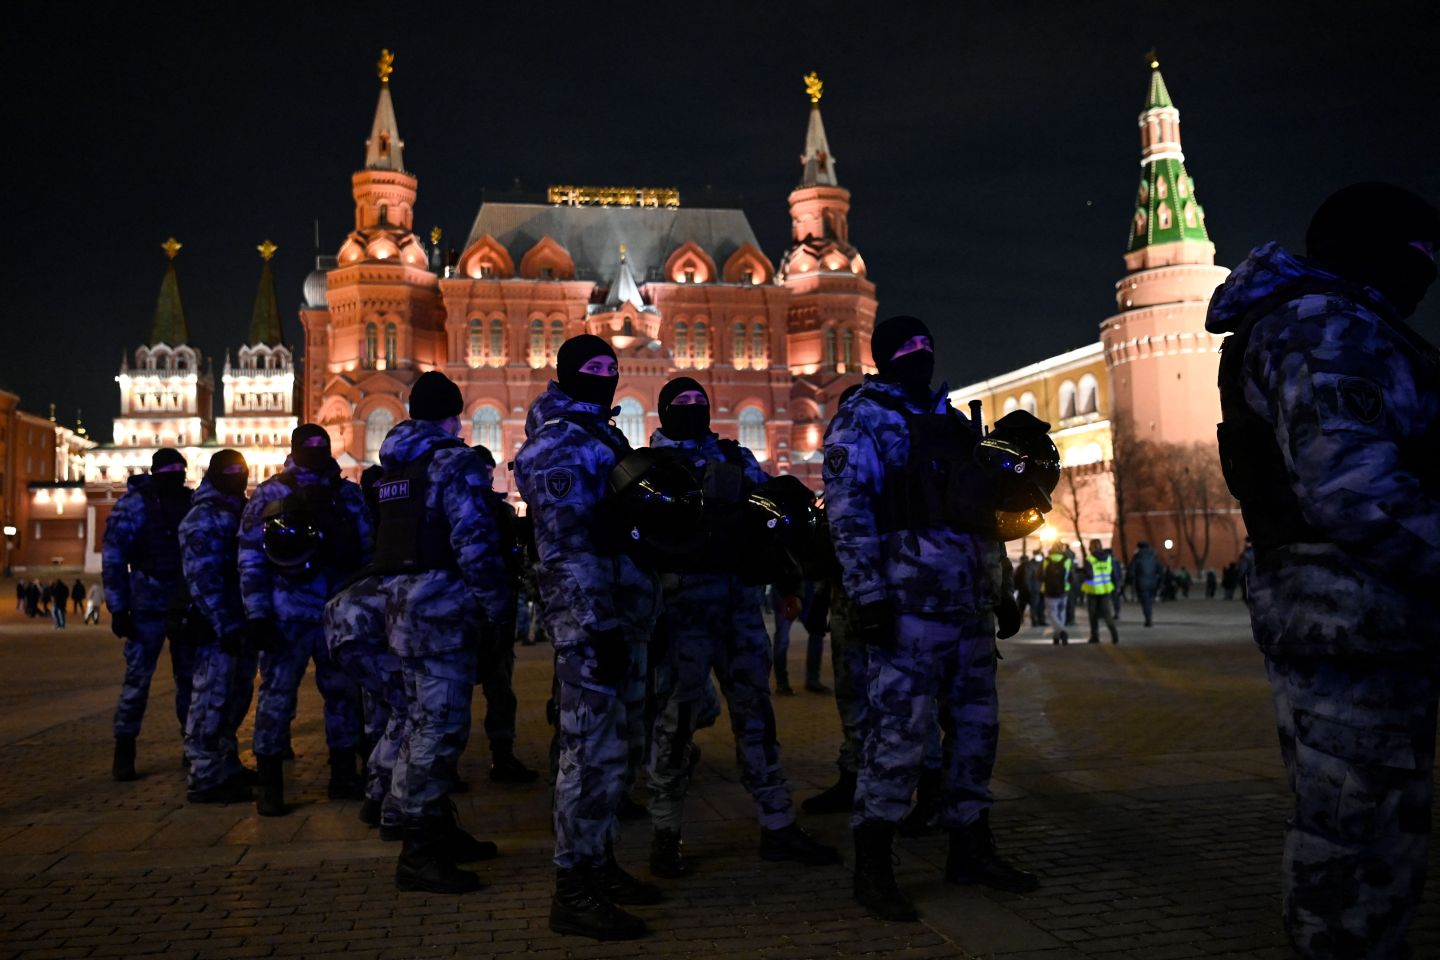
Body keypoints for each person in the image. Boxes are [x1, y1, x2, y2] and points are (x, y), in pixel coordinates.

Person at [1206, 182, 1440, 957]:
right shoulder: (1321, 327)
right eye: (1420, 258)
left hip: (1369, 618)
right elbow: (1353, 487)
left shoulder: (1340, 323)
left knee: (1378, 835)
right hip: (1349, 617)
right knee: (1352, 848)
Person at [824, 315, 1037, 922]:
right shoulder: (862, 419)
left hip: (966, 607)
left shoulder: (950, 420)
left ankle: (971, 846)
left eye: (927, 344)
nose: (921, 354)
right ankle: (874, 861)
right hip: (906, 610)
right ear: (885, 357)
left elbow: (983, 516)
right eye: (908, 347)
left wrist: (1000, 590)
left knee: (976, 733)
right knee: (898, 737)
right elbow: (847, 514)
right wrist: (866, 596)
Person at [644, 376, 839, 884]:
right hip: (682, 614)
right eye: (681, 403)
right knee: (675, 724)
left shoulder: (735, 458)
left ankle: (777, 824)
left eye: (699, 402)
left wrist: (789, 576)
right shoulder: (648, 469)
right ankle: (665, 834)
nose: (692, 409)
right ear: (663, 411)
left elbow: (767, 520)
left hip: (737, 610)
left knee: (756, 718)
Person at [513, 335, 663, 940]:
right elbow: (567, 547)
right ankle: (572, 889)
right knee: (585, 752)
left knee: (612, 750)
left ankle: (599, 865)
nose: (605, 375)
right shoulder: (558, 444)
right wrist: (592, 624)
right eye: (592, 368)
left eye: (611, 367)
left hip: (617, 615)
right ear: (566, 374)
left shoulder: (600, 435)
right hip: (592, 621)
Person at [365, 373, 513, 893]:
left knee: (422, 719)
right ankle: (420, 852)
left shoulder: (395, 464)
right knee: (439, 729)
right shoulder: (453, 462)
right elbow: (474, 539)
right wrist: (497, 605)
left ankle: (437, 829)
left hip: (402, 607)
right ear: (453, 415)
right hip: (443, 611)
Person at [239, 424, 370, 817]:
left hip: (314, 614)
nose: (316, 451)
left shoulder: (332, 493)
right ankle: (274, 783)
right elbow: (251, 558)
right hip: (303, 616)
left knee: (335, 695)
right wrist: (257, 614)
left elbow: (365, 552)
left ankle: (337, 775)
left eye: (321, 446)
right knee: (285, 696)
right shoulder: (335, 493)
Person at [102, 448, 196, 781]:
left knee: (190, 678)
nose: (178, 476)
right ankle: (124, 747)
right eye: (171, 471)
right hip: (146, 603)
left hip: (184, 604)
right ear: (157, 473)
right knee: (137, 679)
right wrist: (118, 607)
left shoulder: (191, 502)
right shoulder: (134, 505)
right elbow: (113, 558)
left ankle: (193, 747)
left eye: (181, 470)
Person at [180, 450, 258, 803]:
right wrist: (223, 623)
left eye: (241, 471)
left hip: (239, 623)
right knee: (210, 700)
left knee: (235, 698)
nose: (237, 476)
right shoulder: (203, 516)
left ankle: (225, 766)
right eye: (230, 471)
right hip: (215, 626)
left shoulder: (238, 510)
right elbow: (202, 578)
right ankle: (204, 776)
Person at [470, 443, 539, 785]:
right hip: (475, 613)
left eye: (487, 471)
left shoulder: (502, 512)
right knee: (484, 687)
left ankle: (502, 754)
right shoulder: (472, 511)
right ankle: (497, 756)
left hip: (493, 612)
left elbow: (516, 559)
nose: (485, 477)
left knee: (500, 688)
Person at [1080, 539, 1118, 645]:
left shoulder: (1089, 559)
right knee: (1107, 614)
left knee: (1093, 615)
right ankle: (1114, 634)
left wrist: (1082, 573)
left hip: (1093, 590)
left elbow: (1089, 575)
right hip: (1106, 589)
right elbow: (1113, 573)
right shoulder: (1108, 558)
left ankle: (1095, 636)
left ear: (1091, 547)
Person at [1040, 543, 1071, 644]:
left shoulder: (1046, 560)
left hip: (1049, 591)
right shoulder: (1067, 561)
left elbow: (1039, 575)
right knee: (1061, 613)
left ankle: (1061, 632)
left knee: (1051, 613)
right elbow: (1072, 576)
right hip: (1064, 590)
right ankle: (1058, 636)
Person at [1129, 541, 1161, 626]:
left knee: (1145, 602)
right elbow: (1160, 570)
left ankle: (1148, 620)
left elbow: (1132, 571)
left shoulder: (1137, 557)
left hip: (1142, 582)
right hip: (1153, 582)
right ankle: (1149, 618)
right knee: (1149, 601)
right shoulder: (1154, 556)